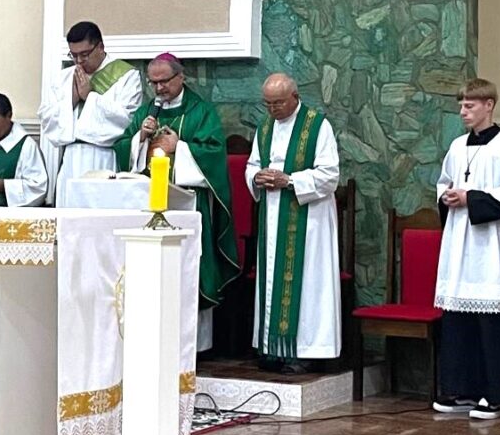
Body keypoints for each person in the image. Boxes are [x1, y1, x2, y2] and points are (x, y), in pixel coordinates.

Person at [115, 53, 239, 350]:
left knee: (189, 271)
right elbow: (122, 148)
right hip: (149, 203)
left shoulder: (201, 111)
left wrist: (179, 147)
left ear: (181, 77)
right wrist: (139, 140)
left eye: (164, 81)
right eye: (153, 82)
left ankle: (194, 347)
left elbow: (213, 153)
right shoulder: (146, 111)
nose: (158, 89)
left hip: (189, 204)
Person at [432, 78, 500, 420]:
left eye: (470, 105)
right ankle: (464, 390)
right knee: (461, 322)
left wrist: (470, 198)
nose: (463, 111)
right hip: (462, 248)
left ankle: (496, 394)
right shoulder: (457, 146)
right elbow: (444, 182)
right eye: (461, 105)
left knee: (495, 325)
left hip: (496, 251)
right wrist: (448, 196)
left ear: (489, 105)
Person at [246, 73, 340, 373]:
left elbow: (329, 174)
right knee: (273, 278)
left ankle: (304, 351)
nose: (273, 109)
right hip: (273, 215)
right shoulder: (264, 127)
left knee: (308, 283)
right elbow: (252, 164)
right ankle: (273, 347)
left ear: (295, 97)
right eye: (268, 104)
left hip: (307, 218)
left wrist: (289, 180)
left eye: (278, 103)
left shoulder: (317, 126)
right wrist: (256, 177)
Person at [38, 21, 142, 206]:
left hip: (102, 156)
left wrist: (90, 97)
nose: (78, 61)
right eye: (73, 55)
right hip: (70, 158)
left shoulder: (126, 75)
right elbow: (46, 117)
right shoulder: (64, 77)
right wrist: (71, 100)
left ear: (100, 47)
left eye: (84, 54)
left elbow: (127, 120)